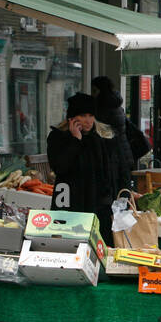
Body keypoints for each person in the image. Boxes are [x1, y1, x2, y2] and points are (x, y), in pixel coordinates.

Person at [47, 92, 123, 234]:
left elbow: (111, 173)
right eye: (83, 116)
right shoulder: (58, 137)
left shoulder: (102, 138)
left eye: (91, 115)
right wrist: (76, 140)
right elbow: (60, 167)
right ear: (71, 118)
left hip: (97, 203)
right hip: (68, 201)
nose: (88, 120)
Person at [91, 76, 150, 194]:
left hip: (113, 155)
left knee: (115, 192)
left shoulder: (102, 107)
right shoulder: (116, 105)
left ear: (98, 89)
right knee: (123, 189)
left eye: (94, 90)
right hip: (124, 153)